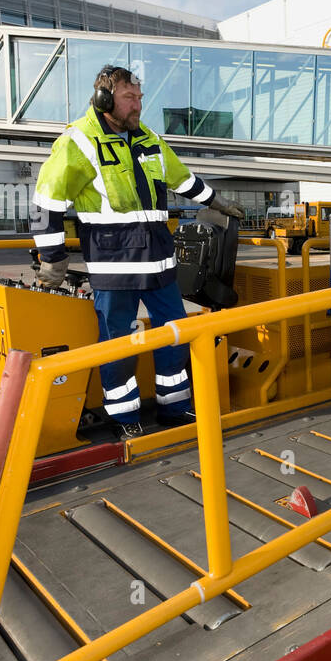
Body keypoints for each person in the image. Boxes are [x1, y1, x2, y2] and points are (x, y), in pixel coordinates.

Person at [31, 64, 243, 439]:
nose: (137, 106)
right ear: (105, 98)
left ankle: (174, 407)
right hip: (114, 265)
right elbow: (48, 199)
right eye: (130, 98)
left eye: (140, 98)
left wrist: (218, 201)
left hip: (160, 262)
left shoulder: (148, 139)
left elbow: (183, 179)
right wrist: (52, 257)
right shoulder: (79, 141)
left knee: (174, 335)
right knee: (118, 344)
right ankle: (122, 415)